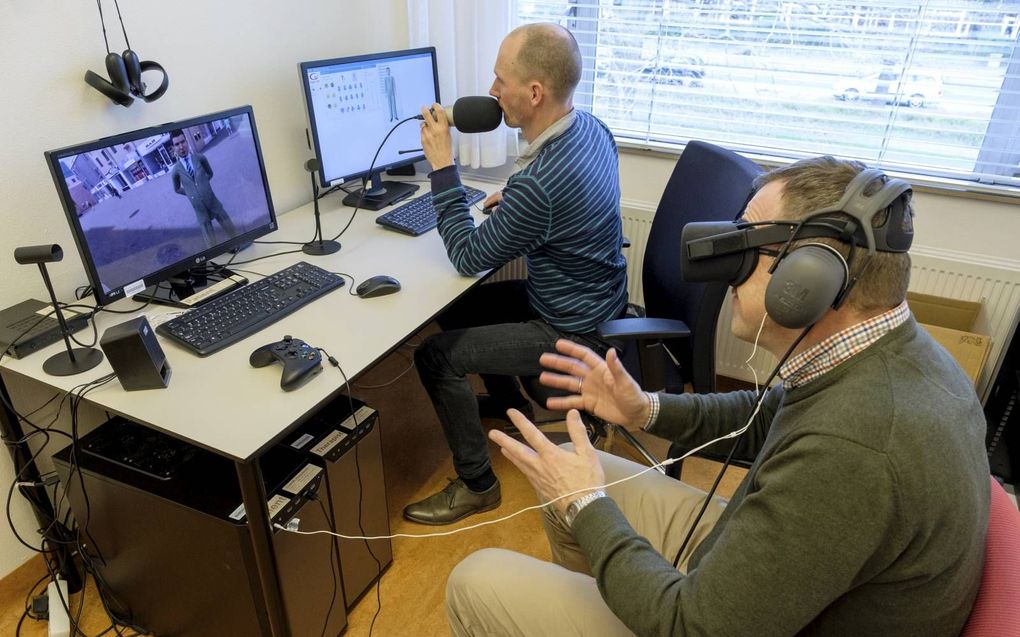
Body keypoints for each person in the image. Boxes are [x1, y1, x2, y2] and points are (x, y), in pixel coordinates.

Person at [445, 157, 990, 636]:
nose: (725, 270)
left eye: (745, 246)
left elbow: (694, 627)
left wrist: (589, 505)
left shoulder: (854, 451)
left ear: (811, 277)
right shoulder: (890, 350)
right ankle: (610, 601)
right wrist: (645, 409)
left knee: (474, 580)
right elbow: (764, 417)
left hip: (709, 621)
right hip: (770, 587)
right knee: (569, 465)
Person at [404, 22, 628, 526]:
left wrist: (443, 166)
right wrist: (522, 205)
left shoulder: (541, 186)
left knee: (434, 356)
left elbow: (464, 255)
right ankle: (508, 406)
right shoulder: (589, 126)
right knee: (462, 307)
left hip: (570, 330)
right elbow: (569, 203)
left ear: (534, 92)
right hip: (596, 297)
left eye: (500, 80)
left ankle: (478, 485)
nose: (491, 91)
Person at [170, 129, 237, 248]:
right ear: (174, 147)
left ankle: (238, 242)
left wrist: (203, 186)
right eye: (177, 144)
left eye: (182, 142)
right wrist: (191, 192)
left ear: (186, 140)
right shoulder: (176, 170)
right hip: (200, 211)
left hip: (212, 201)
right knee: (211, 243)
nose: (181, 147)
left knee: (231, 229)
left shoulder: (200, 158)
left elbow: (210, 174)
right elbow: (176, 189)